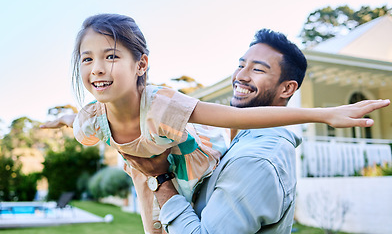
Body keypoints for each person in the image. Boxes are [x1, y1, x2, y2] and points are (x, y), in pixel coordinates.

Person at [40, 14, 389, 234]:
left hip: (194, 165)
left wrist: (322, 114)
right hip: (149, 180)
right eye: (87, 59)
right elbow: (77, 120)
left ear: (141, 64)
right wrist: (59, 119)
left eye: (111, 55)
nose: (97, 68)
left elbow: (239, 117)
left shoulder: (162, 104)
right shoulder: (92, 120)